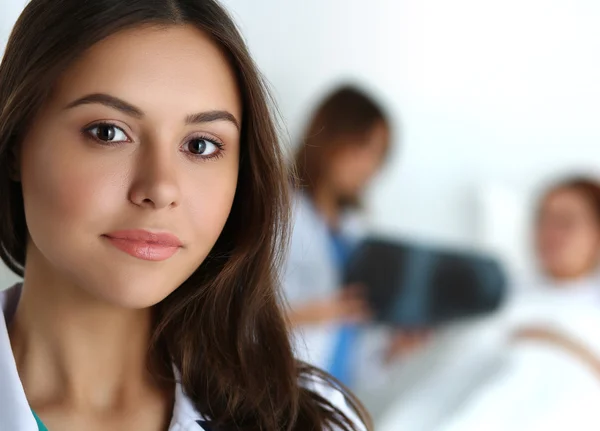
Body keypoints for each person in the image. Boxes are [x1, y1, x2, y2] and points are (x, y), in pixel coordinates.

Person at [0, 1, 369, 430]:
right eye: (108, 132)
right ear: (14, 144)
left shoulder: (310, 420)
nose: (160, 189)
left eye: (200, 145)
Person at [283, 86, 425, 390]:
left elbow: (351, 353)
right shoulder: (276, 214)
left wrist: (392, 349)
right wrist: (307, 314)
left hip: (331, 399)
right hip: (274, 389)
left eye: (379, 155)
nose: (370, 166)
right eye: (364, 147)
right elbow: (229, 317)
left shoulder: (355, 233)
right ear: (330, 137)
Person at [435, 176, 600, 431]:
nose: (550, 233)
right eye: (542, 220)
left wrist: (554, 343)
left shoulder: (591, 314)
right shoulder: (498, 297)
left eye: (565, 223)